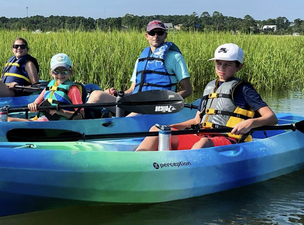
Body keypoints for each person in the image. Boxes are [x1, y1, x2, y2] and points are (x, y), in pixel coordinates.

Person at [135, 43, 277, 151]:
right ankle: (136, 164)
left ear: (238, 67)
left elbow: (271, 118)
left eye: (227, 65)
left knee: (203, 143)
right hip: (202, 136)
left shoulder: (244, 88)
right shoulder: (209, 86)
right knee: (156, 130)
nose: (221, 68)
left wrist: (250, 123)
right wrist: (171, 127)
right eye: (218, 63)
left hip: (228, 140)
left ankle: (181, 173)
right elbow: (197, 120)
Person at [86, 20, 192, 109]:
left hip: (156, 107)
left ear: (165, 35)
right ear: (147, 36)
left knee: (131, 116)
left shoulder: (175, 57)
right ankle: (78, 121)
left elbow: (187, 89)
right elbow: (132, 90)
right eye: (152, 33)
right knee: (97, 95)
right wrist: (119, 93)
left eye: (159, 32)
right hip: (136, 103)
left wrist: (168, 100)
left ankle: (123, 124)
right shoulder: (140, 60)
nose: (156, 36)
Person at [8, 53, 84, 121]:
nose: (60, 75)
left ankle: (10, 122)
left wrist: (62, 112)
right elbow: (36, 103)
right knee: (13, 120)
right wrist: (33, 105)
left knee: (12, 120)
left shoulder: (73, 90)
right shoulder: (49, 86)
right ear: (51, 73)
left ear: (71, 72)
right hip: (43, 119)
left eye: (64, 71)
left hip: (59, 122)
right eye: (56, 72)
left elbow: (81, 116)